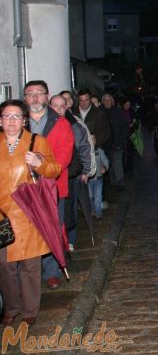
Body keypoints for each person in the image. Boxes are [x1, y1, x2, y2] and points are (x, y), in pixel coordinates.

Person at [0, 99, 61, 326]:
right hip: (3, 217)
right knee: (4, 267)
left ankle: (29, 310)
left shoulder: (37, 142)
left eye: (17, 116)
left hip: (29, 214)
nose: (12, 121)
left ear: (24, 120)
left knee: (30, 266)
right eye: (7, 116)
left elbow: (54, 171)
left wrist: (39, 162)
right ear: (0, 120)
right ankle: (12, 306)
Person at [23, 81, 74, 290]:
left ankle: (51, 271)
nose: (35, 98)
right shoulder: (19, 122)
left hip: (52, 185)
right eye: (30, 94)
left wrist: (42, 168)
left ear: (47, 96)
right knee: (28, 230)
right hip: (24, 187)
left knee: (52, 226)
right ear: (25, 98)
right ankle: (29, 272)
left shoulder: (60, 124)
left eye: (39, 93)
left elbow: (64, 157)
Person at [49, 94, 95, 252]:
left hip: (70, 173)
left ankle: (70, 240)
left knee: (70, 209)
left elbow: (83, 148)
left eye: (63, 105)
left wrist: (86, 170)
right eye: (55, 106)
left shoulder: (74, 124)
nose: (59, 109)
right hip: (49, 176)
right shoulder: (44, 124)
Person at [101, 94, 128, 189]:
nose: (107, 102)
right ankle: (114, 181)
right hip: (105, 144)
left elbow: (125, 127)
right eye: (105, 100)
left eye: (109, 100)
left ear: (112, 101)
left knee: (117, 160)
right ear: (102, 102)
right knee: (109, 161)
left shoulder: (118, 112)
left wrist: (121, 141)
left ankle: (120, 180)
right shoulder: (100, 112)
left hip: (117, 142)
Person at [88, 135, 109, 219]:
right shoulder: (85, 151)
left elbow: (105, 160)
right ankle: (92, 210)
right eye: (91, 138)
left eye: (94, 139)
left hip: (98, 178)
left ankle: (98, 213)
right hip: (89, 179)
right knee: (89, 196)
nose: (92, 140)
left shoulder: (99, 151)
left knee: (98, 196)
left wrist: (104, 167)